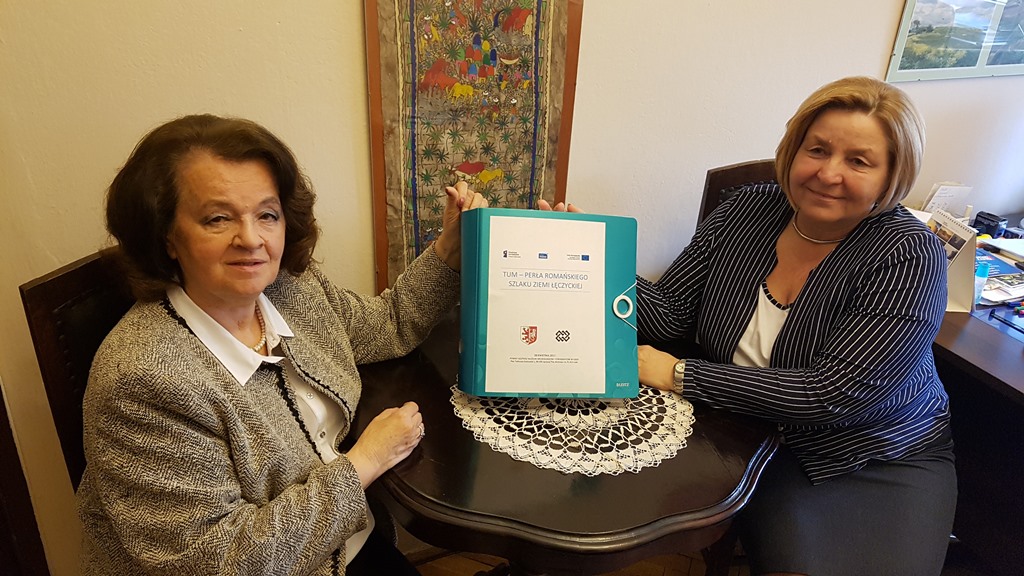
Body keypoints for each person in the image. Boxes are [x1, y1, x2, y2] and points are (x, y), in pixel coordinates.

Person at [545, 76, 955, 576]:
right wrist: (590, 260)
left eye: (858, 161)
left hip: (871, 452)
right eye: (817, 149)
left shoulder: (909, 253)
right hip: (748, 433)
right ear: (793, 149)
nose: (828, 173)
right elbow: (670, 311)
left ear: (893, 174)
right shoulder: (745, 209)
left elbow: (834, 394)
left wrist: (678, 374)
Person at [78, 114, 486, 575]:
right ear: (167, 235)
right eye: (217, 219)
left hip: (344, 544)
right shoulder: (143, 378)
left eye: (267, 215)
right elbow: (221, 563)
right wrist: (366, 462)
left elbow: (387, 324)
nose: (251, 239)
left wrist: (449, 250)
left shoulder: (291, 290)